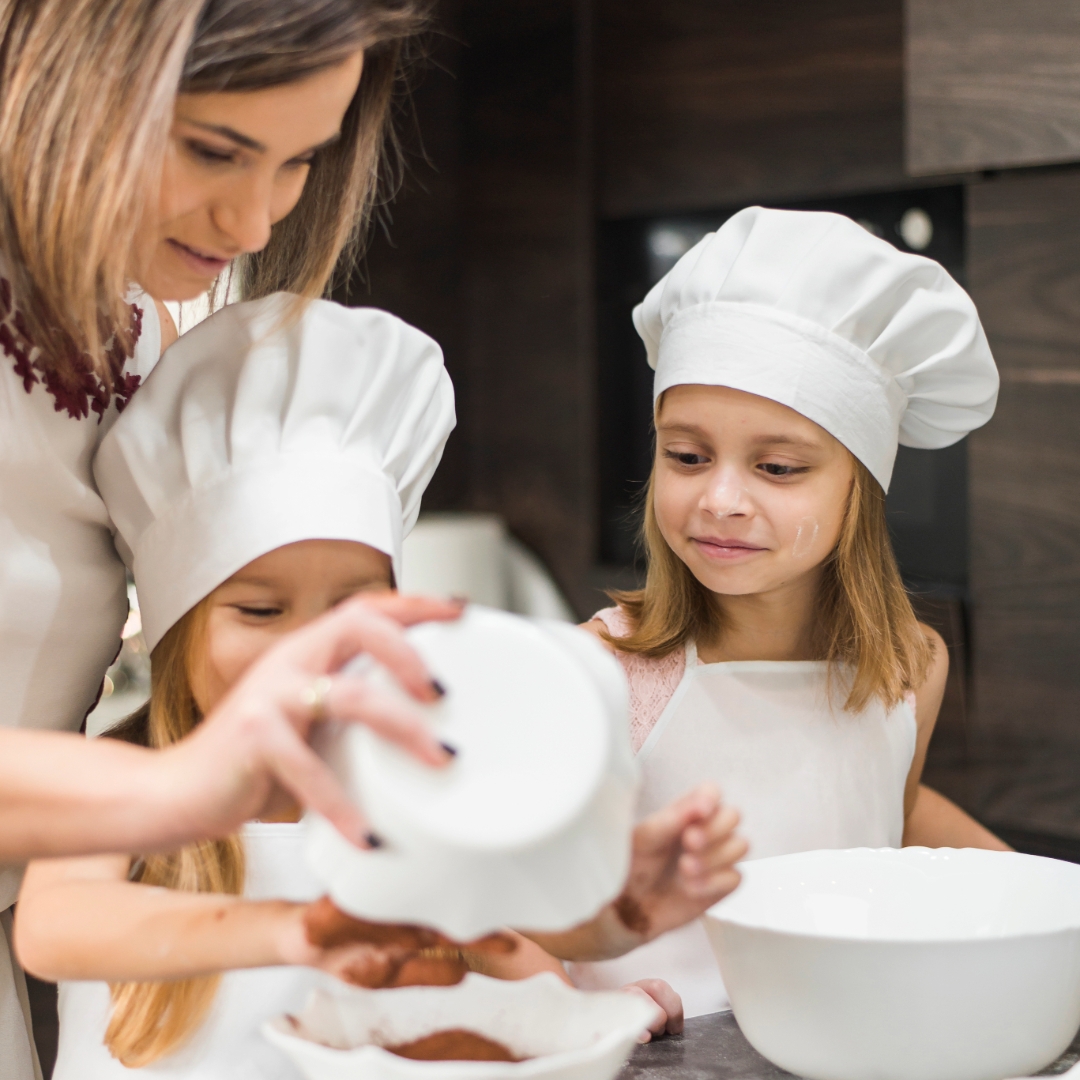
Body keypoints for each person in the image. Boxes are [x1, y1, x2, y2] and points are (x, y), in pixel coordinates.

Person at [16, 295, 746, 1076]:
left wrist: (610, 935)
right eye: (261, 610)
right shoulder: (129, 780)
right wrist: (295, 929)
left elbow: (510, 944)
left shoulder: (408, 788)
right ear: (176, 625)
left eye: (354, 608)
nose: (314, 648)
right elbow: (56, 927)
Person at [0, 2, 455, 1074]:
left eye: (301, 161)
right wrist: (169, 792)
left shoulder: (146, 335)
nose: (254, 225)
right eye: (215, 150)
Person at [561, 207, 1010, 1018]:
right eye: (687, 457)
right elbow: (496, 904)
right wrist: (567, 1012)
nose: (720, 499)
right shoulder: (605, 672)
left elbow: (892, 813)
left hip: (841, 1041)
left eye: (776, 467)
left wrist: (1038, 896)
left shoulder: (911, 668)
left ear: (859, 488)